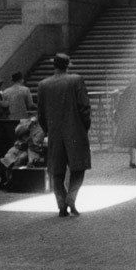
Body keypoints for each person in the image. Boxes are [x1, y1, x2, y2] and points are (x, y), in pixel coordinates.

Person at [37, 53, 91, 217]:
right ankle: (71, 198)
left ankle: (61, 204)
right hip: (76, 131)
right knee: (79, 168)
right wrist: (84, 126)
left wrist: (48, 130)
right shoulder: (76, 80)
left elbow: (40, 113)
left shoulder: (43, 84)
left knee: (57, 171)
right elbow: (84, 106)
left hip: (55, 133)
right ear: (68, 65)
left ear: (54, 65)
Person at [114, 78, 136, 168]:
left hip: (126, 121)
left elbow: (119, 108)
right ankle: (133, 161)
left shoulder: (124, 94)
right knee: (135, 142)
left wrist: (119, 118)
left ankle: (131, 158)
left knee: (130, 140)